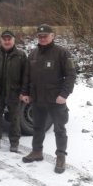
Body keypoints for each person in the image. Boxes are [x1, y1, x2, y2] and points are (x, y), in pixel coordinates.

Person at [21, 24, 76, 173]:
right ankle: (37, 152)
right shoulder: (32, 54)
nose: (42, 38)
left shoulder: (62, 53)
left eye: (45, 35)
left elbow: (71, 75)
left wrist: (64, 95)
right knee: (38, 127)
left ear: (52, 36)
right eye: (40, 36)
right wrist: (25, 92)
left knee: (59, 128)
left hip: (55, 99)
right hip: (37, 98)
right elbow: (27, 76)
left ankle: (60, 156)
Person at [0, 30, 27, 153]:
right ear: (1, 40)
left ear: (14, 40)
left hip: (14, 92)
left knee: (15, 118)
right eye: (5, 39)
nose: (7, 41)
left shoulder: (21, 55)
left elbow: (26, 75)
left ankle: (14, 143)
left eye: (9, 39)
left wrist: (23, 91)